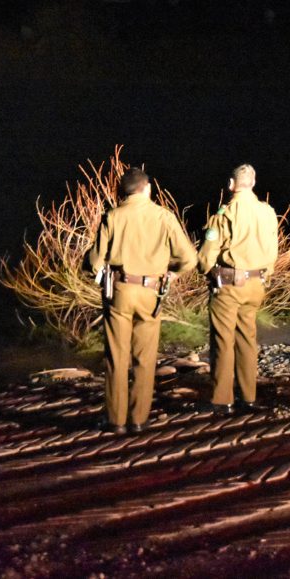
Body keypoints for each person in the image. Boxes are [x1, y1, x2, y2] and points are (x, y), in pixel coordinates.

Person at [88, 167, 198, 434]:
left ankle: (115, 419)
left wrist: (99, 270)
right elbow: (190, 259)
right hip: (151, 292)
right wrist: (171, 273)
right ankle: (138, 418)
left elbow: (94, 262)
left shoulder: (113, 216)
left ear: (123, 190)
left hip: (120, 292)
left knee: (116, 356)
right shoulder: (164, 217)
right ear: (147, 188)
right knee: (145, 358)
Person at [197, 164, 278, 415]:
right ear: (253, 184)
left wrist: (206, 270)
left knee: (223, 340)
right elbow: (273, 249)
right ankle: (249, 396)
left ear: (231, 184)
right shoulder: (267, 212)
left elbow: (206, 255)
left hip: (229, 284)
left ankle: (222, 400)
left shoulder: (224, 214)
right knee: (247, 340)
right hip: (257, 284)